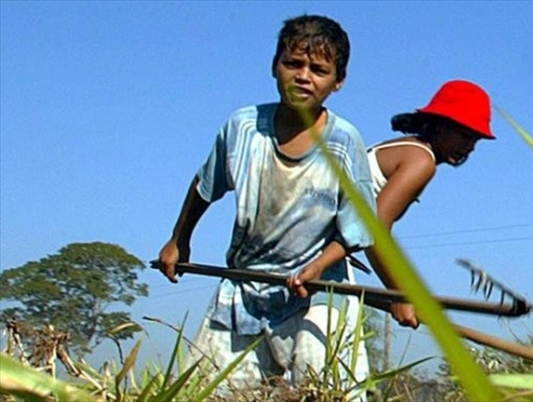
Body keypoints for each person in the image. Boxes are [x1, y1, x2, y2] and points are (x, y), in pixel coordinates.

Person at [157, 14, 375, 395]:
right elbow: (205, 185)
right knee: (201, 390)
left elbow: (357, 230)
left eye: (319, 69)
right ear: (275, 66)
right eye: (293, 63)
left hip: (316, 293)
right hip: (246, 285)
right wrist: (179, 239)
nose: (304, 76)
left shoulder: (343, 143)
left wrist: (318, 267)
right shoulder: (243, 128)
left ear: (337, 82)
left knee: (325, 390)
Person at [364, 79, 496, 329]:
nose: (469, 146)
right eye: (465, 135)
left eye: (475, 140)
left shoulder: (406, 150)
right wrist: (399, 294)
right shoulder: (420, 161)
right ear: (439, 125)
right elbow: (373, 226)